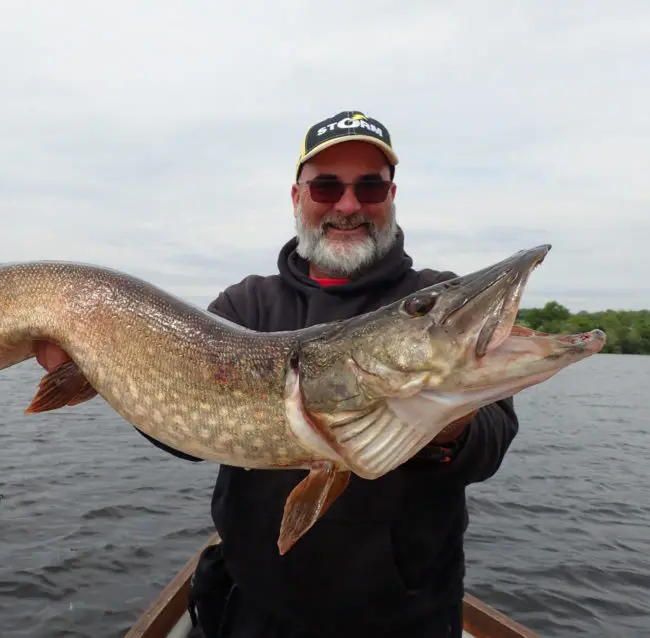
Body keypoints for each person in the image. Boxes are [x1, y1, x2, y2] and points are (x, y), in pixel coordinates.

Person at [34, 110, 519, 637]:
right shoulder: (245, 306)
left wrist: (442, 420)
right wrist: (107, 366)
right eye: (327, 187)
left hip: (403, 618)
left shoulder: (430, 299)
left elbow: (489, 444)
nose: (349, 205)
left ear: (391, 196)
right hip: (254, 610)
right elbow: (188, 439)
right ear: (298, 198)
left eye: (370, 188)